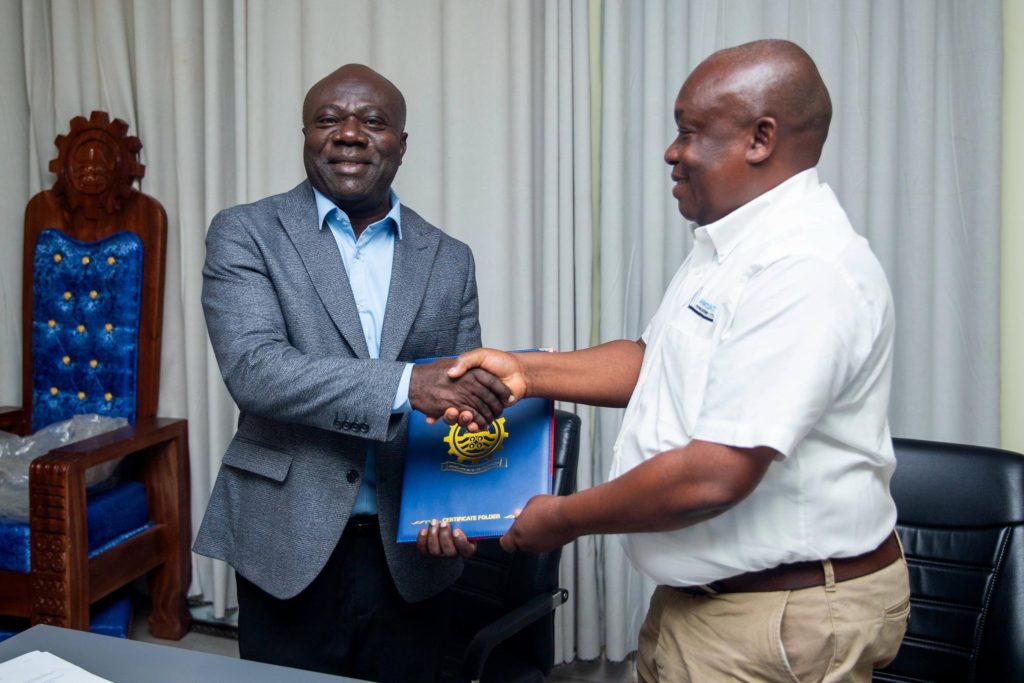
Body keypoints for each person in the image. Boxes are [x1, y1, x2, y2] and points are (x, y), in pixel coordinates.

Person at [437, 39, 910, 682]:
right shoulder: (732, 244)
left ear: (760, 139)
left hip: (774, 616)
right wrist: (528, 372)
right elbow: (657, 362)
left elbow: (712, 478)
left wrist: (561, 519)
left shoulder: (804, 268)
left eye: (688, 132)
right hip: (708, 603)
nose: (671, 152)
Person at [194, 63, 508, 682]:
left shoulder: (449, 257)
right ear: (306, 136)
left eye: (373, 121)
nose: (348, 134)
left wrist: (465, 509)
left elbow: (463, 407)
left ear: (401, 144)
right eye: (328, 119)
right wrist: (407, 385)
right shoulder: (246, 232)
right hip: (285, 538)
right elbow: (255, 370)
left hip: (412, 547)